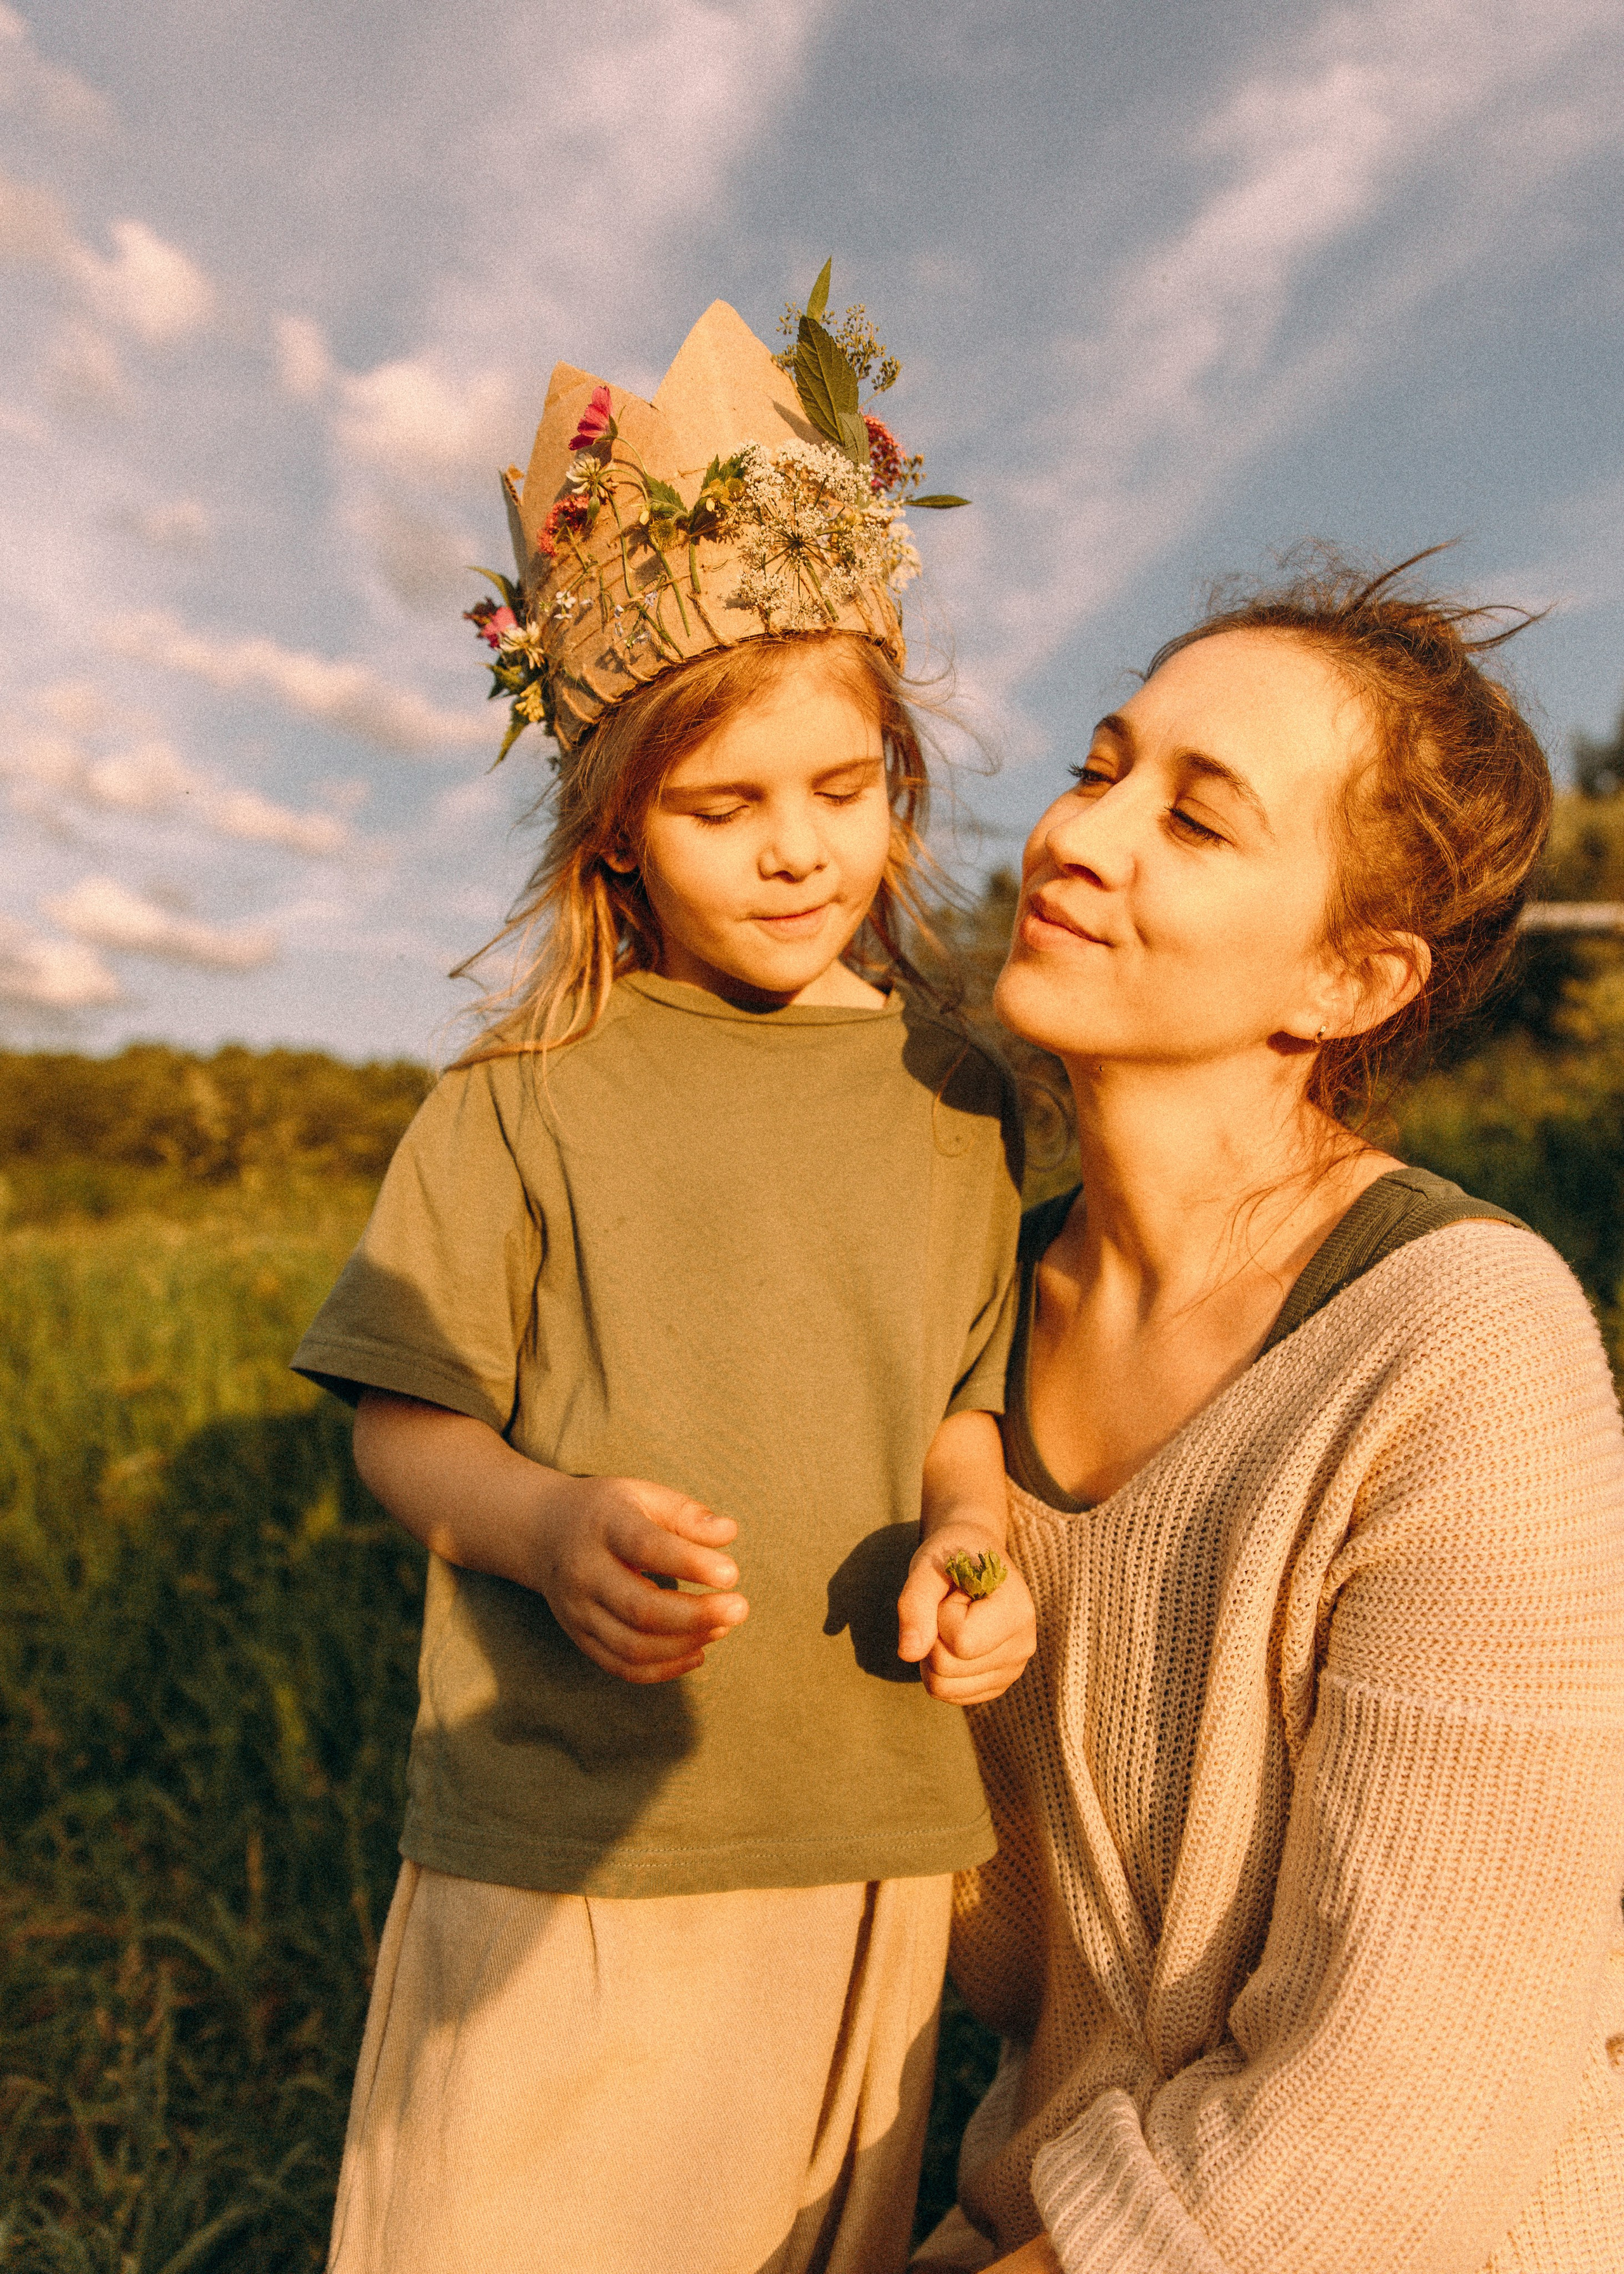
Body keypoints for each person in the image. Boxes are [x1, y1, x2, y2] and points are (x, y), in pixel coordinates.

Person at [291, 289, 1036, 2274]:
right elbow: (409, 1423)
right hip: (572, 1828)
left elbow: (962, 1406)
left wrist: (978, 1548)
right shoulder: (523, 1101)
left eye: (844, 789)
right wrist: (543, 1526)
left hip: (862, 1823)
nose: (798, 852)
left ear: (900, 783)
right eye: (724, 807)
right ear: (618, 837)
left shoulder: (953, 1097)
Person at [915, 553, 1624, 2273]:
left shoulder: (1462, 1343)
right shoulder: (957, 1333)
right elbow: (1006, 1968)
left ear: (1351, 984)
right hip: (1046, 2217)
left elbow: (1387, 2135)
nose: (1077, 839)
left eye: (1200, 821)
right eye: (1102, 767)